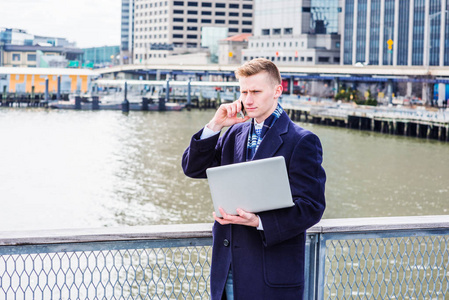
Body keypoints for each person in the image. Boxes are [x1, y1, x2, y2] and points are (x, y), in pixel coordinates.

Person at [182, 58, 326, 300]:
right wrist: (215, 126)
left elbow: (312, 207)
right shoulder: (234, 132)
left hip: (271, 272)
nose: (248, 100)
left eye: (256, 92)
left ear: (277, 91)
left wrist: (259, 221)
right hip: (226, 266)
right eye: (244, 92)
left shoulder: (302, 141)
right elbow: (192, 168)